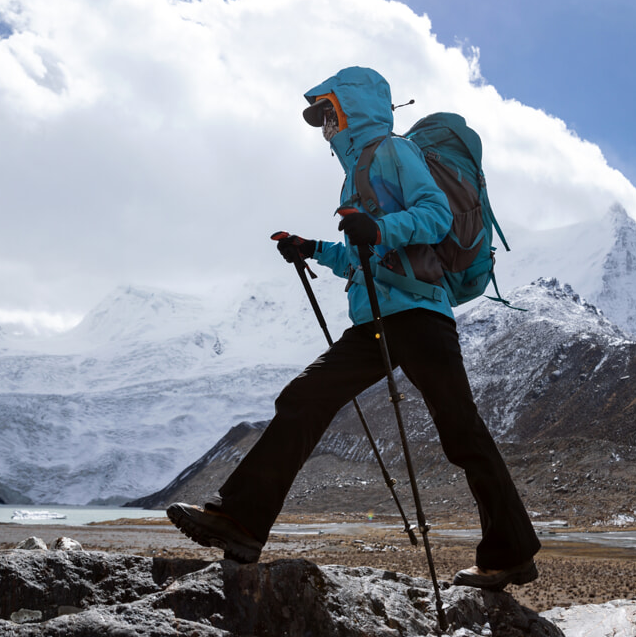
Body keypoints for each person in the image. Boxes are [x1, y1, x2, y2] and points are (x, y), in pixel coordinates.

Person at [167, 66, 541, 590]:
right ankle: (241, 522)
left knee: (461, 433)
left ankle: (512, 553)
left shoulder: (392, 151)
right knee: (304, 396)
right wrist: (312, 250)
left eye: (329, 114)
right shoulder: (355, 170)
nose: (324, 127)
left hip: (419, 313)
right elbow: (364, 256)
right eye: (320, 119)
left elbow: (435, 217)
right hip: (376, 320)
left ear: (350, 109)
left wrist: (380, 226)